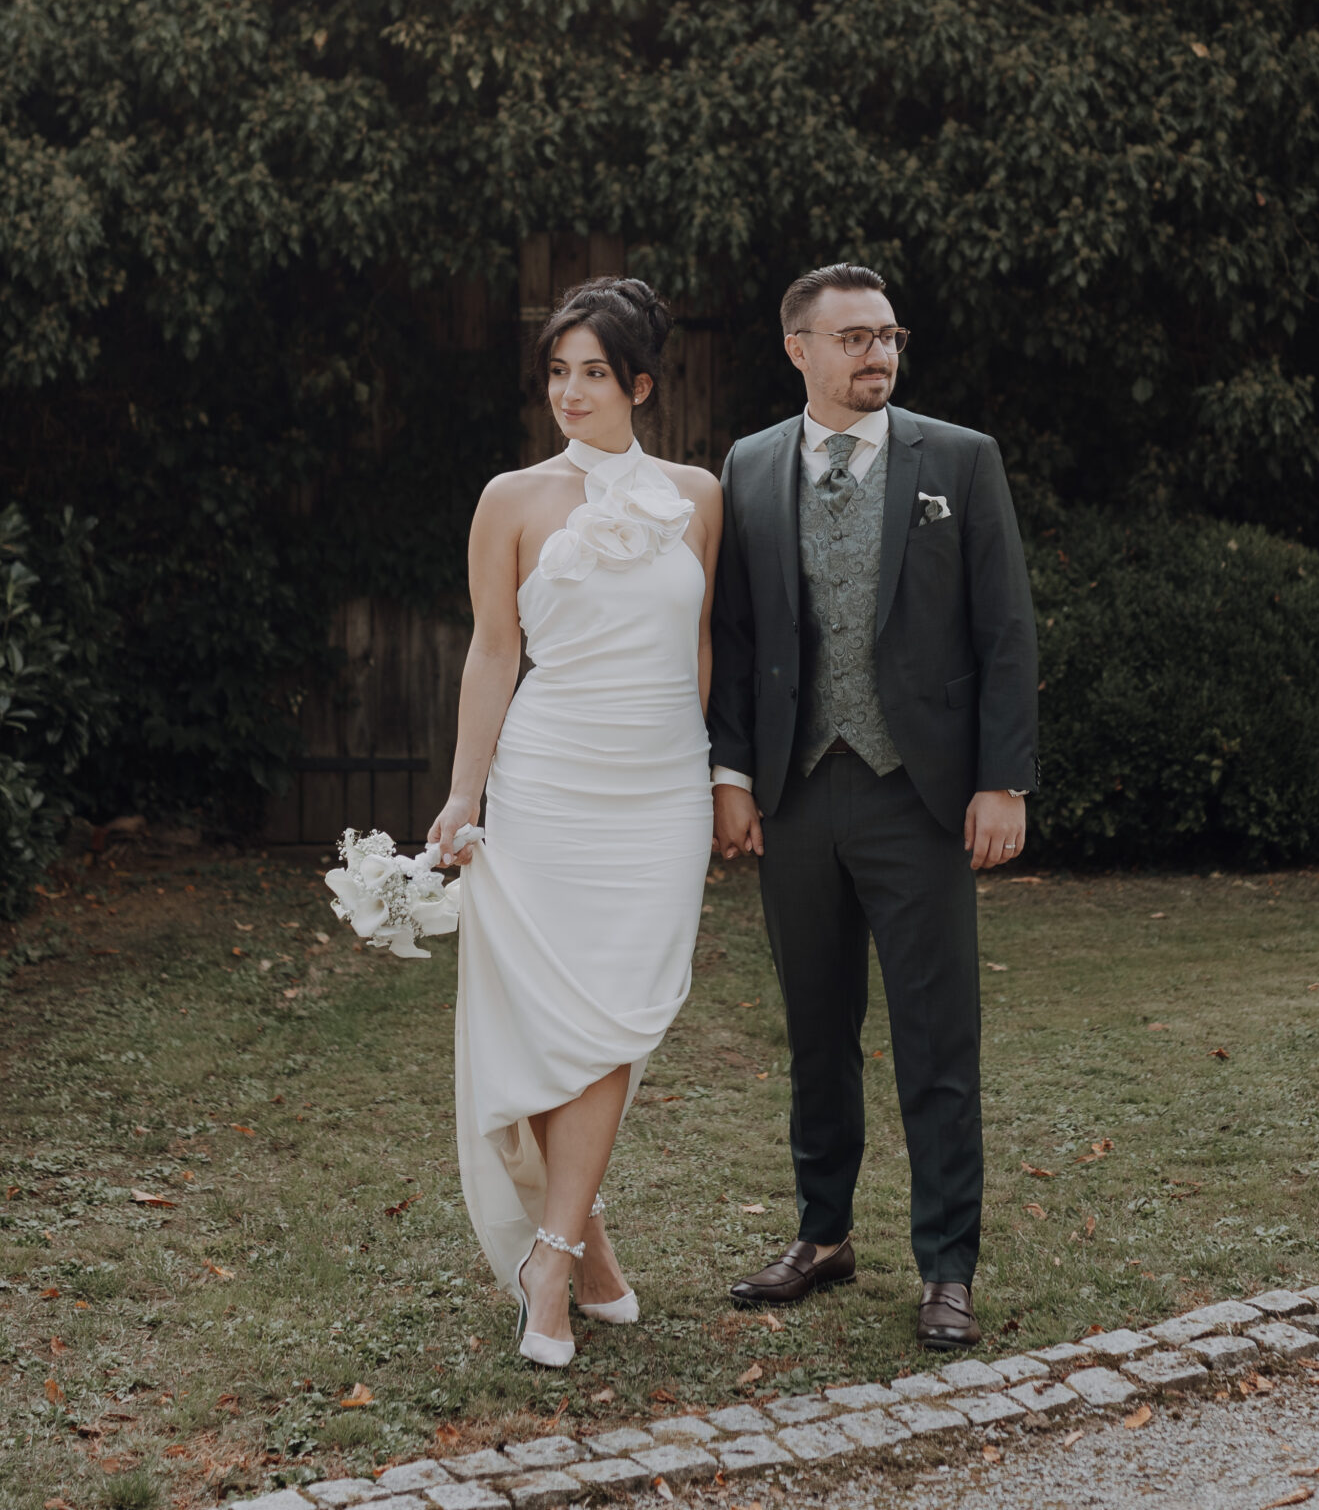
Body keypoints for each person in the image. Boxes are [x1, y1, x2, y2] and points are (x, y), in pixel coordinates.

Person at [707, 262, 1037, 1351]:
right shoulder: (751, 464)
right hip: (798, 793)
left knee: (936, 1038)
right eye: (853, 338)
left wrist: (1001, 779)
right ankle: (823, 1233)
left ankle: (946, 1266)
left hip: (920, 794)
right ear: (797, 348)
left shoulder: (959, 458)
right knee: (816, 1031)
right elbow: (737, 634)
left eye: (888, 336)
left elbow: (1004, 630)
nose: (877, 355)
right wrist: (732, 775)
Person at [426, 278, 720, 1369]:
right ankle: (561, 1258)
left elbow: (699, 646)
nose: (571, 392)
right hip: (548, 785)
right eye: (557, 372)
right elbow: (492, 650)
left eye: (594, 372)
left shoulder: (697, 496)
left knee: (615, 1019)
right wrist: (466, 792)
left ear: (639, 384)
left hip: (660, 794)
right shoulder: (509, 498)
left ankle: (567, 1248)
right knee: (559, 1022)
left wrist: (706, 775)